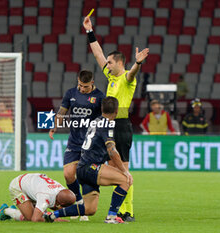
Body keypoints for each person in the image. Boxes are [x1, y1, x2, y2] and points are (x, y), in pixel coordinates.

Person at [83, 15, 149, 222]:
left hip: (120, 126)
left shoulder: (126, 77)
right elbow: (98, 54)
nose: (107, 64)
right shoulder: (111, 76)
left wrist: (138, 63)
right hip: (107, 124)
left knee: (123, 169)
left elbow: (132, 73)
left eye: (110, 62)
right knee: (110, 167)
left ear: (120, 63)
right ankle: (113, 208)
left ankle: (126, 211)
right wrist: (89, 31)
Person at [44, 97, 133, 224]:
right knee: (126, 180)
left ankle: (53, 215)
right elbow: (112, 151)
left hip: (81, 170)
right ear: (117, 111)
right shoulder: (107, 125)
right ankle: (112, 217)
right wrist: (125, 171)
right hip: (92, 167)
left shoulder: (95, 121)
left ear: (102, 109)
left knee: (89, 209)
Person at [49, 70, 104, 221]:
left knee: (85, 175)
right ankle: (79, 202)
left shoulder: (99, 97)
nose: (82, 89)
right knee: (68, 174)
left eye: (85, 86)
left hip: (90, 144)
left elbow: (104, 118)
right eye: (80, 85)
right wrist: (55, 126)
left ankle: (86, 205)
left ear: (92, 83)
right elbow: (62, 112)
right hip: (74, 141)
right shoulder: (71, 93)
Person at [0, 173, 76, 222]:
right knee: (29, 218)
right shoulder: (45, 196)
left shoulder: (61, 190)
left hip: (32, 183)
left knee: (49, 209)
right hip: (18, 186)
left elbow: (56, 205)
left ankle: (24, 209)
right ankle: (6, 211)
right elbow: (35, 219)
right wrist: (53, 219)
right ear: (61, 203)